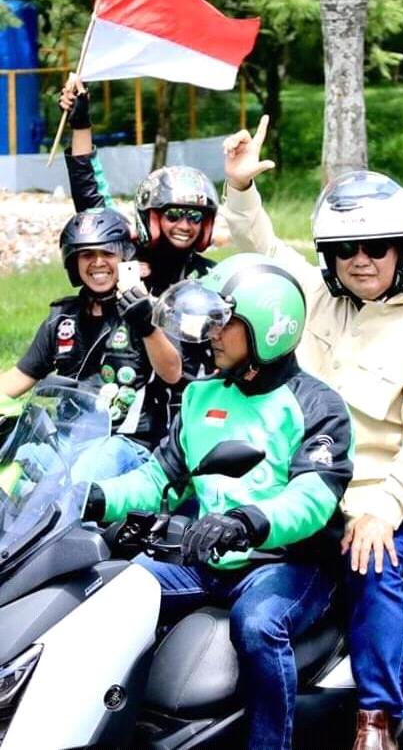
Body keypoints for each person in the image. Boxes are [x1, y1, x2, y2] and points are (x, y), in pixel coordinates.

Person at [220, 117, 403, 750]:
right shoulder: (316, 299)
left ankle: (377, 718)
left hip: (391, 502)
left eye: (377, 247)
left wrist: (383, 508)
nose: (361, 259)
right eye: (346, 248)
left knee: (371, 562)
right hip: (305, 493)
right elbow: (262, 248)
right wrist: (241, 189)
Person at [81, 252, 355, 750]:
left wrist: (246, 522)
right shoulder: (201, 396)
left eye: (223, 323)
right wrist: (94, 497)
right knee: (109, 593)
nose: (210, 334)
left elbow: (313, 498)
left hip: (287, 562)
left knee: (258, 626)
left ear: (268, 328)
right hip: (206, 557)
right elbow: (159, 477)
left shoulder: (316, 405)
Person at [59, 76, 220, 423]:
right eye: (173, 214)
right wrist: (81, 123)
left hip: (186, 408)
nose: (185, 224)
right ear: (152, 216)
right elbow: (89, 194)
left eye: (195, 216)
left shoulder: (210, 277)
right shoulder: (126, 253)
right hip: (117, 400)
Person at [0, 207, 181, 481]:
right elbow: (19, 377)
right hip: (66, 438)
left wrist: (146, 323)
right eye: (87, 255)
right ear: (73, 262)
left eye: (107, 253)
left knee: (78, 479)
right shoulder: (62, 319)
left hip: (125, 442)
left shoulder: (150, 311)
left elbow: (172, 372)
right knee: (15, 466)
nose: (97, 262)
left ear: (126, 258)